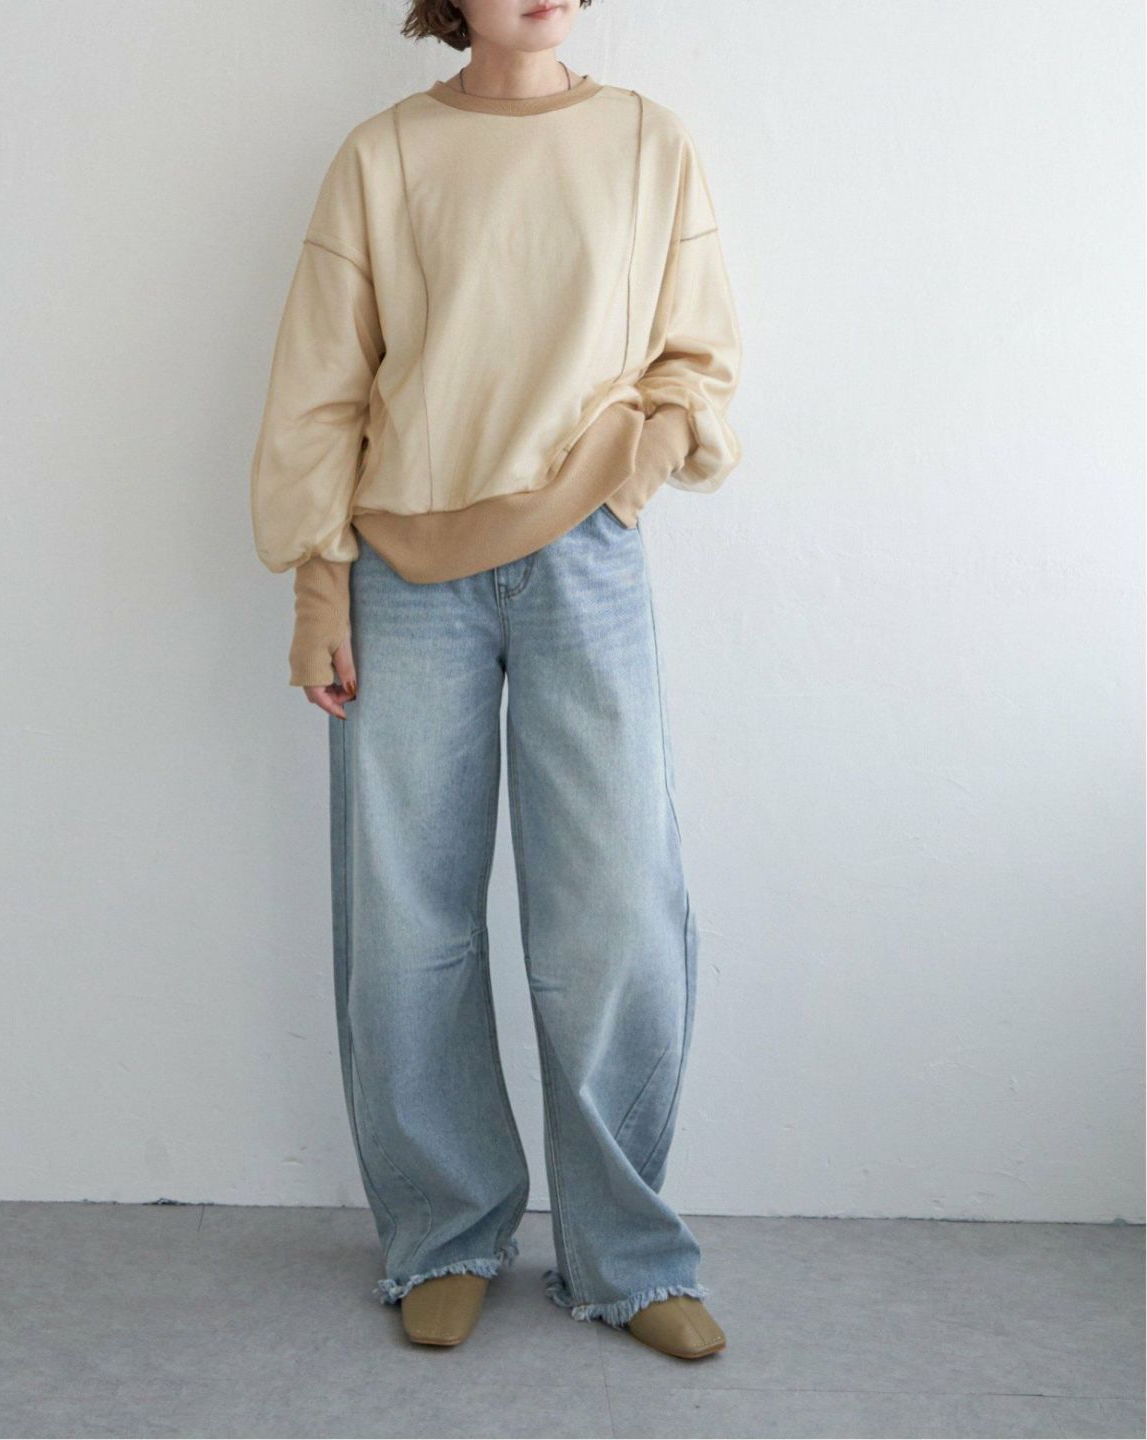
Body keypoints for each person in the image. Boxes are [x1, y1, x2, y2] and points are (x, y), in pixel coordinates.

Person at [249, 0, 742, 1359]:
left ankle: (626, 1256)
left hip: (588, 560)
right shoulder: (384, 155)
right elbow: (320, 385)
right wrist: (318, 584)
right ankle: (444, 1233)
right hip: (406, 578)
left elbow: (699, 354)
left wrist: (635, 464)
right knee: (406, 918)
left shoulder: (646, 141)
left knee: (617, 912)